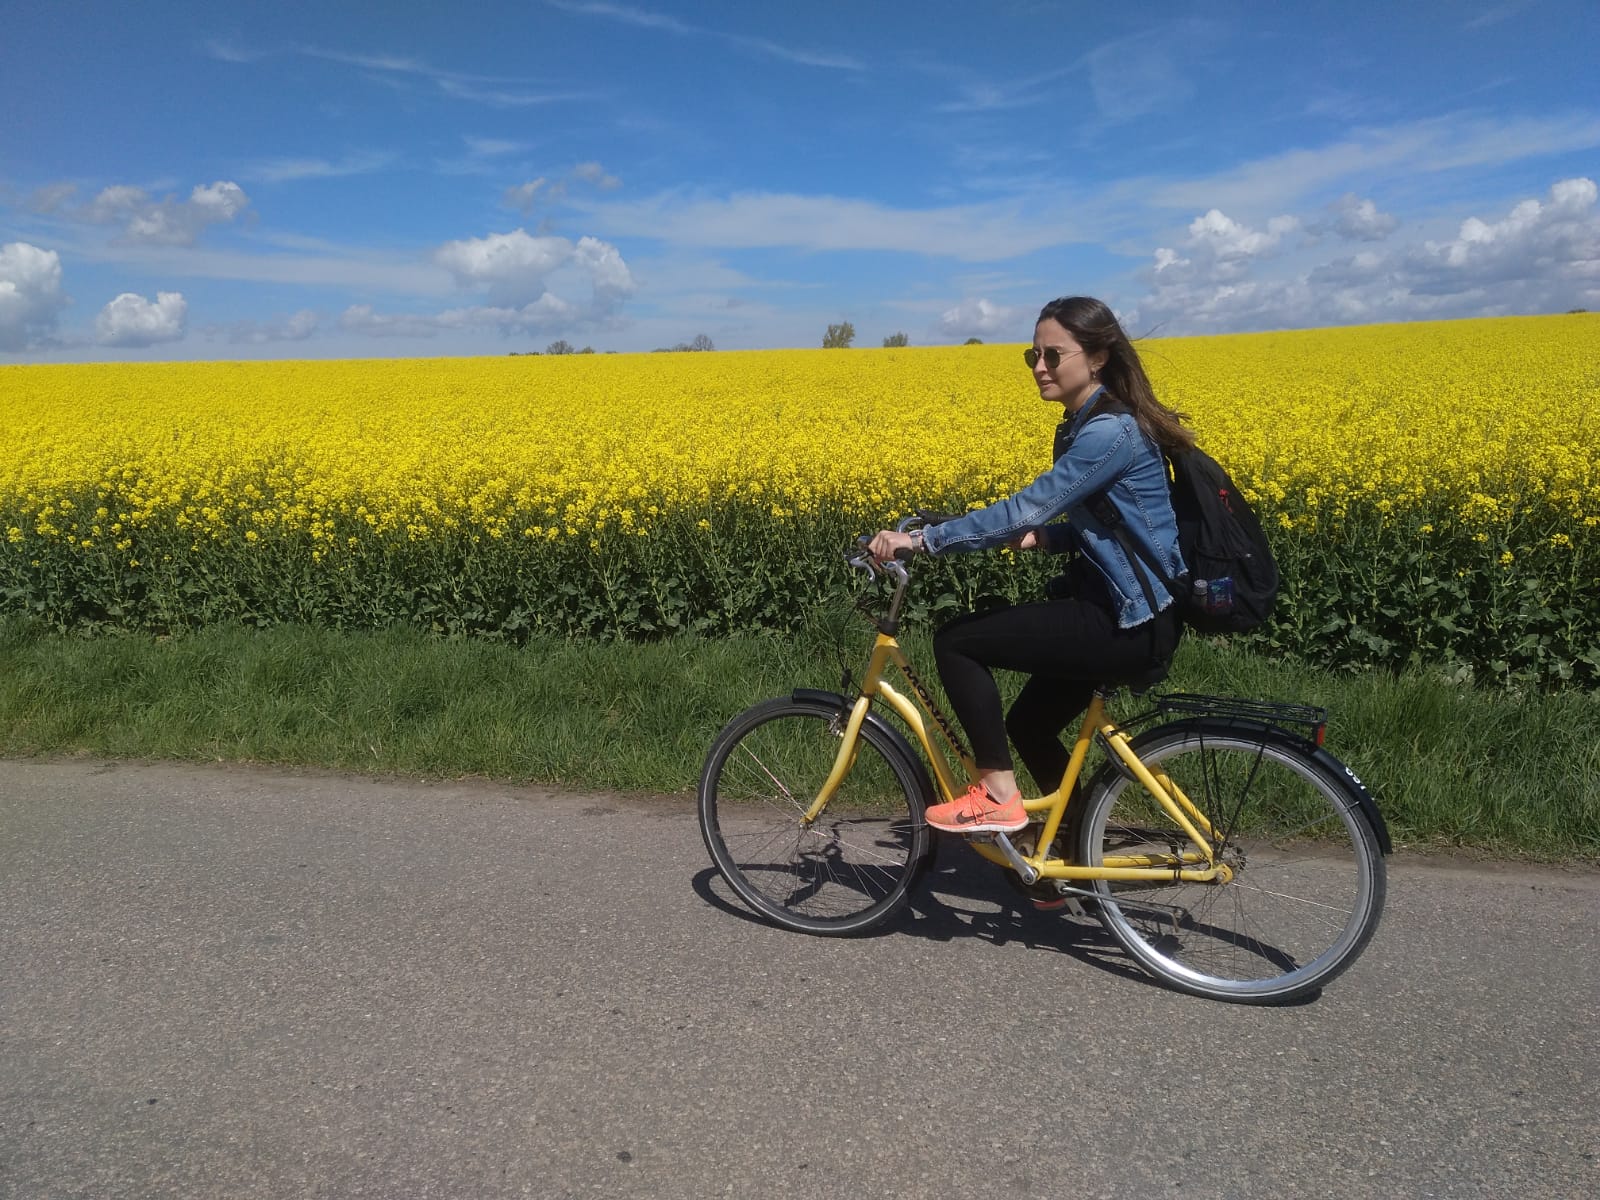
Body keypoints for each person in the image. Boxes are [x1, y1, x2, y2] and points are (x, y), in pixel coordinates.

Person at [868, 295, 1194, 836]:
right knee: (1028, 724)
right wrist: (1047, 537)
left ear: (1097, 358)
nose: (1039, 367)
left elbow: (1024, 506)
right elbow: (1115, 528)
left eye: (1052, 355)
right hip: (1123, 609)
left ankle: (999, 796)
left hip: (1127, 620)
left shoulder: (1107, 432)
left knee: (956, 642)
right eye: (1032, 355)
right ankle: (1069, 849)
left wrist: (923, 540)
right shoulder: (1082, 423)